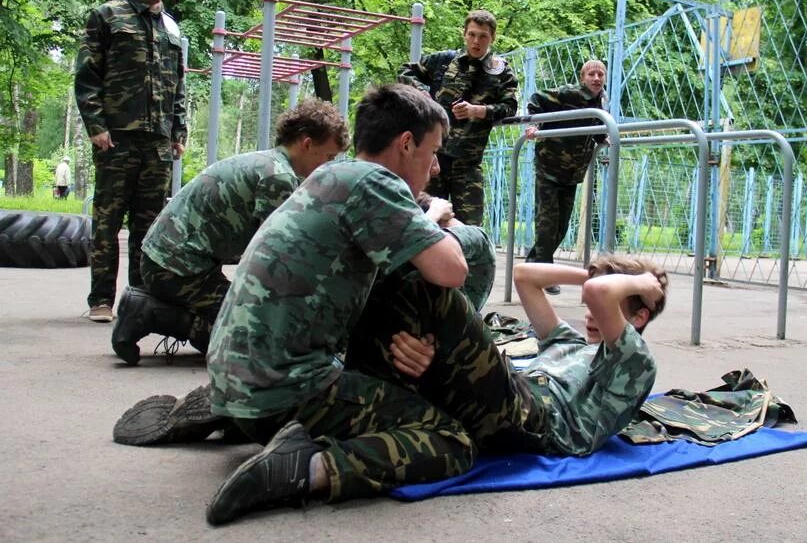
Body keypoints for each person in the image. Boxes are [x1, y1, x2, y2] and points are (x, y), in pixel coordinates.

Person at [115, 84, 474, 526]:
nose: (435, 168)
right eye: (433, 152)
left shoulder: (329, 177)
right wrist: (433, 215)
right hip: (285, 392)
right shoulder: (377, 183)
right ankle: (305, 468)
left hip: (236, 373)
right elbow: (451, 270)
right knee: (448, 439)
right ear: (405, 144)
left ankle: (226, 410)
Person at [345, 255, 667, 457]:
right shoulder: (570, 342)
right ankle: (362, 399)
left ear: (638, 318)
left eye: (602, 310)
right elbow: (525, 276)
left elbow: (599, 294)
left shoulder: (634, 362)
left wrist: (640, 282)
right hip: (507, 399)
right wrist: (593, 274)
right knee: (401, 283)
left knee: (437, 292)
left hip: (537, 421)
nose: (590, 314)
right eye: (590, 309)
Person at [110, 100, 350, 365]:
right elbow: (278, 258)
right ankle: (148, 312)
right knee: (254, 341)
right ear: (307, 144)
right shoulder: (277, 178)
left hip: (171, 261)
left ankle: (158, 306)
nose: (328, 166)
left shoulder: (266, 162)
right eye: (328, 157)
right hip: (175, 269)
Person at [75, 0, 186, 323]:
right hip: (117, 136)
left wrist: (178, 130)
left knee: (149, 224)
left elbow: (178, 84)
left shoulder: (171, 26)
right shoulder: (107, 16)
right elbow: (87, 76)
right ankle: (101, 301)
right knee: (107, 220)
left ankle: (140, 302)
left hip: (156, 140)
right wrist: (97, 127)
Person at [397, 9, 519, 225]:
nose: (476, 41)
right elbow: (405, 71)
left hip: (468, 162)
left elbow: (509, 107)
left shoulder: (501, 72)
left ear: (492, 38)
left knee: (470, 228)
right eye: (472, 34)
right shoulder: (445, 61)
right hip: (433, 159)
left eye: (483, 36)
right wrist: (421, 93)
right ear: (464, 34)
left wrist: (478, 111)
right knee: (425, 220)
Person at [524, 60, 608, 295]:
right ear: (583, 78)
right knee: (547, 224)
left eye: (600, 74)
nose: (596, 78)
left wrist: (602, 139)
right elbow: (537, 98)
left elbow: (597, 125)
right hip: (549, 167)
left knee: (561, 226)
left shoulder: (602, 101)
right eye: (591, 74)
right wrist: (535, 124)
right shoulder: (568, 94)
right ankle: (544, 274)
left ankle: (533, 264)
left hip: (572, 173)